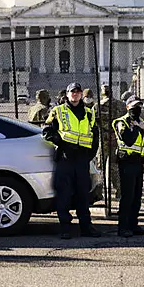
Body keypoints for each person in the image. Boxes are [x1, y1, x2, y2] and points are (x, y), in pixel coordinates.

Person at [43, 82, 102, 239]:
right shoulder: (58, 111)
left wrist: (90, 154)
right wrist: (61, 144)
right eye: (72, 92)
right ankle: (65, 228)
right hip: (65, 158)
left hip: (82, 159)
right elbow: (47, 132)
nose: (75, 94)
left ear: (81, 94)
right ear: (67, 94)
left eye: (78, 92)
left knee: (83, 194)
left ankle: (86, 227)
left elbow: (94, 135)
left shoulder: (89, 113)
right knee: (64, 194)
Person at [112, 98, 144, 237]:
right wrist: (136, 127)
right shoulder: (121, 122)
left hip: (138, 164)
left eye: (139, 107)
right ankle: (123, 227)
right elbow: (128, 140)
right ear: (128, 107)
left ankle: (133, 225)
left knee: (136, 197)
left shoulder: (141, 123)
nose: (137, 110)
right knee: (127, 196)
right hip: (126, 163)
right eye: (135, 107)